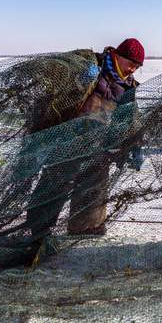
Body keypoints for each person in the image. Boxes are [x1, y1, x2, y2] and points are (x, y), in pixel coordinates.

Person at [26, 38, 145, 238]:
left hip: (98, 144)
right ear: (118, 56)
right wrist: (81, 80)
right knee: (55, 184)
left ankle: (86, 229)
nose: (133, 69)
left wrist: (136, 144)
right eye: (132, 64)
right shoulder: (93, 67)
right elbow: (63, 93)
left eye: (138, 66)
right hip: (68, 139)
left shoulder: (129, 86)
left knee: (93, 187)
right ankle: (39, 230)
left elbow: (130, 117)